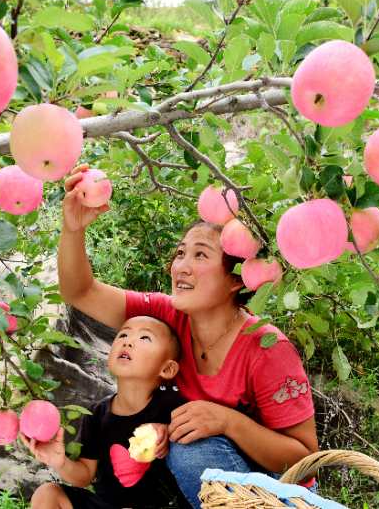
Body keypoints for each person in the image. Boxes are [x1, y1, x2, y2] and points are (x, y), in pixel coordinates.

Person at [57, 164, 319, 508]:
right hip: (207, 487)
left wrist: (228, 421)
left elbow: (303, 461)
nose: (180, 266)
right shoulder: (167, 315)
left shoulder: (266, 348)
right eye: (180, 253)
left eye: (200, 255)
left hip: (279, 495)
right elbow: (80, 292)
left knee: (190, 448)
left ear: (237, 278)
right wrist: (72, 229)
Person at [23, 315, 188, 509]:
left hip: (161, 504)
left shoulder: (173, 404)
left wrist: (169, 430)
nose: (127, 341)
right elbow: (85, 475)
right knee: (47, 494)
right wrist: (59, 461)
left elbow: (200, 439)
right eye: (123, 334)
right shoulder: (97, 413)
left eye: (144, 338)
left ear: (167, 369)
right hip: (107, 504)